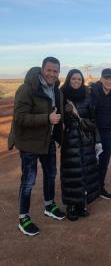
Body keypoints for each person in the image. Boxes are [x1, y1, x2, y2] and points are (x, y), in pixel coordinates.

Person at [8, 57, 65, 236]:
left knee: (51, 175)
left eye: (55, 71)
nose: (52, 74)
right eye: (49, 70)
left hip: (47, 141)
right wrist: (46, 118)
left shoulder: (56, 89)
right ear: (42, 69)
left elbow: (59, 111)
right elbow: (20, 118)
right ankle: (23, 218)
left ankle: (49, 205)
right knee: (28, 182)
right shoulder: (26, 89)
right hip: (29, 143)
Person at [60, 69, 99, 221]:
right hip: (69, 141)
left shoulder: (87, 96)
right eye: (73, 79)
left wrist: (81, 119)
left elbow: (93, 119)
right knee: (71, 174)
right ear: (69, 80)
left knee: (86, 171)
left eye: (79, 79)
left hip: (85, 139)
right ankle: (71, 206)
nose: (76, 82)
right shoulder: (62, 95)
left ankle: (82, 203)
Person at [91, 68, 111, 200]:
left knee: (104, 162)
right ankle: (89, 189)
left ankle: (100, 188)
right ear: (101, 79)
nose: (109, 81)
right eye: (106, 78)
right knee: (91, 162)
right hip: (93, 132)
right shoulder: (93, 91)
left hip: (108, 133)